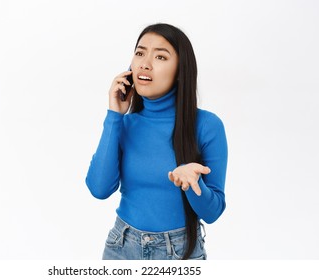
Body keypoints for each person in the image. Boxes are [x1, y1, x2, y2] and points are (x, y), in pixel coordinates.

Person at [85, 23, 228, 260]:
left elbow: (212, 213)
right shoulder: (125, 124)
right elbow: (99, 189)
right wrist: (114, 115)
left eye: (160, 56)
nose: (145, 63)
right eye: (140, 53)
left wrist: (193, 184)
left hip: (179, 253)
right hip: (121, 248)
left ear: (180, 70)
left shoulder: (207, 125)